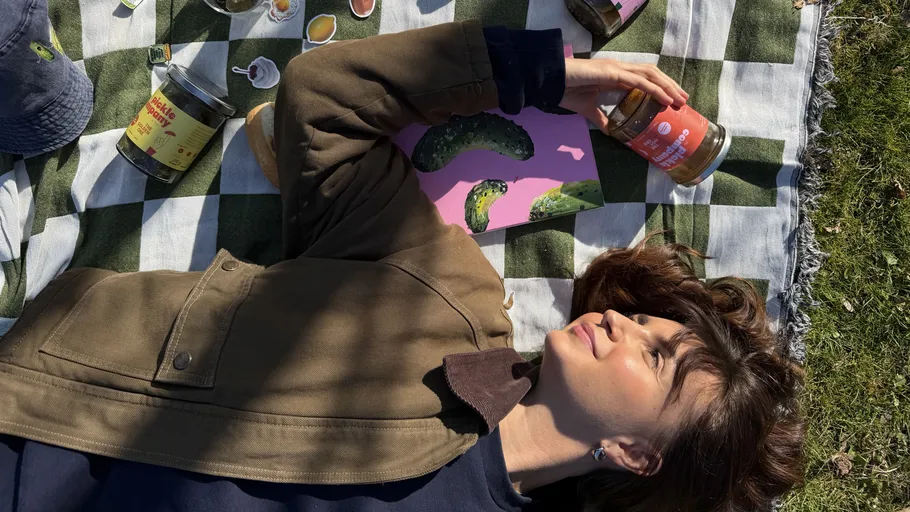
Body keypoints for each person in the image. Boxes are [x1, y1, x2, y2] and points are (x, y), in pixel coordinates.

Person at [0, 22, 804, 511]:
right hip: (35, 415)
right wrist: (544, 75)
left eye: (656, 358)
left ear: (634, 453)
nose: (625, 326)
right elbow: (322, 101)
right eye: (647, 322)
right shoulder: (448, 300)